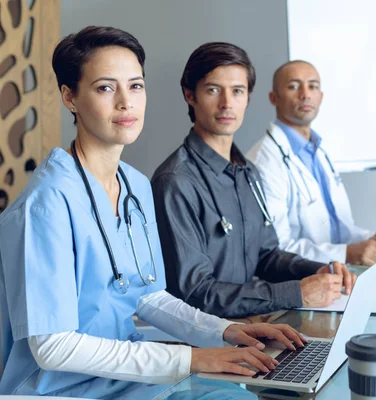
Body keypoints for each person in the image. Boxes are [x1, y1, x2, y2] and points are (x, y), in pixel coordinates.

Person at [0, 26, 307, 399]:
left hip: (126, 377)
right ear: (70, 97)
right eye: (105, 88)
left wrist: (224, 331)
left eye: (135, 86)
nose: (125, 103)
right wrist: (189, 359)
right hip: (59, 389)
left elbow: (148, 296)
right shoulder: (45, 204)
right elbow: (52, 347)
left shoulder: (134, 185)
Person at [151, 44, 356, 319]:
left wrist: (317, 270)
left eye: (237, 91)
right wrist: (296, 293)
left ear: (247, 98)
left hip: (256, 325)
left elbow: (266, 256)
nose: (227, 103)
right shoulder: (176, 182)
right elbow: (197, 293)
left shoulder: (248, 173)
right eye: (213, 90)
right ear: (190, 95)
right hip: (208, 343)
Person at [246, 60, 376, 266]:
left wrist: (370, 239)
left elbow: (337, 227)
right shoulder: (263, 161)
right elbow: (275, 247)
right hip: (302, 282)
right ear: (274, 98)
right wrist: (347, 253)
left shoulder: (319, 151)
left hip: (339, 273)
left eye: (313, 86)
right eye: (293, 86)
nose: (305, 94)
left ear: (321, 96)